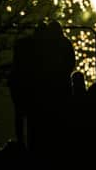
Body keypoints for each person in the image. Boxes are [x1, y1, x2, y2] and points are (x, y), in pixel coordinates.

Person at [30, 19, 76, 155]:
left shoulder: (45, 46)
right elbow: (71, 63)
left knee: (49, 117)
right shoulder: (66, 43)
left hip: (49, 85)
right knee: (63, 115)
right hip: (62, 83)